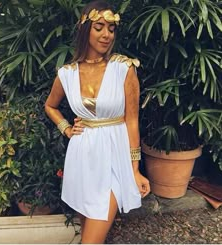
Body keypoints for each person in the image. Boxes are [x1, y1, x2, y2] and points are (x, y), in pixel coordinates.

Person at [45, 0, 150, 243]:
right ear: (85, 29)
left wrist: (135, 169)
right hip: (82, 157)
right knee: (91, 233)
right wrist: (67, 129)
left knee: (90, 241)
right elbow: (50, 106)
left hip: (115, 157)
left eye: (111, 29)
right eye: (99, 27)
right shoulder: (67, 73)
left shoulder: (124, 68)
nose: (106, 35)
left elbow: (132, 121)